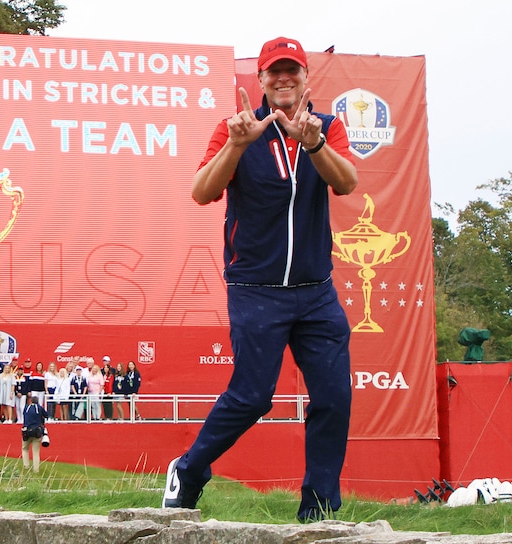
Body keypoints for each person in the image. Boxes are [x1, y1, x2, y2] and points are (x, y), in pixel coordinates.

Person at [162, 37, 357, 523]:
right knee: (252, 397)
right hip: (255, 290)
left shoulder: (327, 127)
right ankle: (188, 470)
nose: (283, 79)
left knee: (333, 397)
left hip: (316, 292)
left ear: (306, 77)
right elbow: (201, 192)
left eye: (292, 70)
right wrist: (236, 144)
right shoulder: (236, 129)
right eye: (274, 72)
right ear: (261, 80)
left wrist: (312, 143)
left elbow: (347, 182)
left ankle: (319, 508)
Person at [20, 394, 49, 472]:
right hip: (37, 432)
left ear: (31, 401)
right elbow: (46, 415)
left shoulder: (26, 408)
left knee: (25, 449)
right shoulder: (39, 408)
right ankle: (36, 470)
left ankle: (26, 466)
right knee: (36, 452)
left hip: (26, 431)